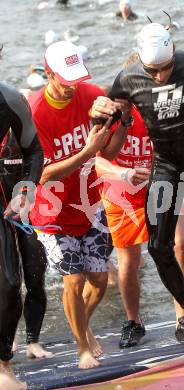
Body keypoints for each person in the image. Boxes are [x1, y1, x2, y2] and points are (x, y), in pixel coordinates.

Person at [90, 23, 184, 346]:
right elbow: (105, 126)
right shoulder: (127, 78)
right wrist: (99, 112)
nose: (159, 77)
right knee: (157, 246)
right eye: (152, 71)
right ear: (142, 62)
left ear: (173, 54)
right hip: (166, 164)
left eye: (165, 68)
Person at [29, 41, 113, 369]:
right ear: (49, 74)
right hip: (51, 212)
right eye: (66, 81)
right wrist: (87, 152)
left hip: (88, 203)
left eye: (76, 80)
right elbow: (42, 175)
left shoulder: (89, 93)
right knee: (73, 281)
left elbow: (113, 131)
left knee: (100, 280)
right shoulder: (37, 113)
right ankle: (82, 348)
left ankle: (82, 323)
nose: (72, 88)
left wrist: (111, 112)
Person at [0, 58, 44, 389]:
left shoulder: (11, 100)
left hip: (3, 206)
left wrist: (25, 191)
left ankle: (3, 363)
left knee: (12, 286)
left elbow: (34, 150)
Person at [0, 130, 52, 359]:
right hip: (1, 214)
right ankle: (8, 337)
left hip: (27, 210)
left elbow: (38, 162)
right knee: (9, 283)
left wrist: (25, 194)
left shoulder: (22, 129)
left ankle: (34, 340)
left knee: (35, 273)